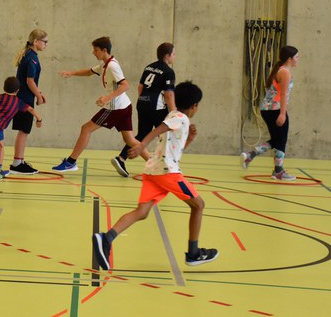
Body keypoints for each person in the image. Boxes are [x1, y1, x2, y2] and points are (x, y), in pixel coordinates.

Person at [92, 81, 218, 271]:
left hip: (153, 171)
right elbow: (159, 129)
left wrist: (189, 139)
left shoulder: (175, 116)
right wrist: (141, 145)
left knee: (141, 213)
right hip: (168, 173)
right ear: (194, 106)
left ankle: (106, 238)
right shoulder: (180, 118)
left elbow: (175, 149)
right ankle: (193, 253)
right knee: (199, 205)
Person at [53, 37, 141, 173]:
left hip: (115, 108)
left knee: (86, 129)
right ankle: (155, 163)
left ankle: (71, 162)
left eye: (95, 50)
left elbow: (125, 85)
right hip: (125, 106)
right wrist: (72, 73)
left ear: (104, 50)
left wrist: (107, 98)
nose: (93, 52)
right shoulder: (105, 64)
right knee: (129, 139)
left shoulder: (112, 66)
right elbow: (89, 72)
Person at [111, 42, 177, 178]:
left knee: (142, 134)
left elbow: (140, 87)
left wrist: (145, 100)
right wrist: (173, 113)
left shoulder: (149, 67)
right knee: (165, 135)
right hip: (156, 107)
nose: (175, 57)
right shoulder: (168, 72)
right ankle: (165, 167)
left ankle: (121, 158)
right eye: (174, 54)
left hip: (142, 103)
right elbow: (169, 94)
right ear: (167, 55)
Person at [241, 46, 300, 181]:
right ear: (289, 59)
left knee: (276, 139)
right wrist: (283, 114)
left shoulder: (281, 70)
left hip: (269, 109)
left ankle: (250, 156)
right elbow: (283, 94)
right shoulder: (285, 72)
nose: (298, 60)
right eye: (296, 57)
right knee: (281, 140)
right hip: (275, 109)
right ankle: (278, 171)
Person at [0, 77, 42, 179]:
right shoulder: (18, 102)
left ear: (4, 88)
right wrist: (39, 119)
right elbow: (31, 109)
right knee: (0, 147)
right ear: (17, 90)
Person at [9, 29, 48, 175]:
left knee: (24, 130)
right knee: (24, 131)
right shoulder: (31, 57)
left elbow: (30, 82)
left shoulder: (30, 56)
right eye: (45, 42)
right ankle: (17, 163)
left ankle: (20, 160)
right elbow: (29, 81)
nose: (46, 45)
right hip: (24, 99)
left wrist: (38, 93)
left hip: (25, 97)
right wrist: (38, 96)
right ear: (36, 41)